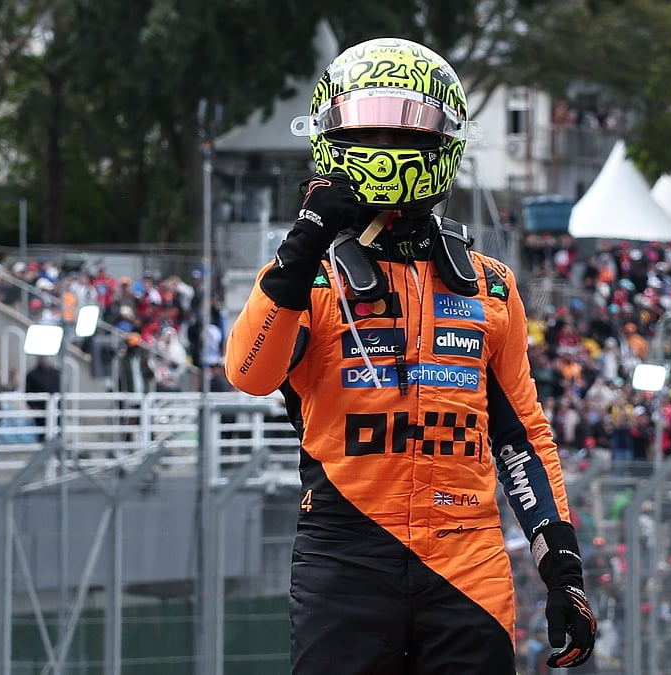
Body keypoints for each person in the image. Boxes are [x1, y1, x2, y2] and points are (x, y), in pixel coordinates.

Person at [224, 37, 595, 674]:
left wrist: (562, 568)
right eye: (366, 128)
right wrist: (304, 240)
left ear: (443, 140)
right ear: (330, 137)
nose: (385, 144)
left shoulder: (490, 286)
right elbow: (250, 373)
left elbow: (521, 437)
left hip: (468, 562)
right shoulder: (305, 279)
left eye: (404, 128)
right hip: (346, 559)